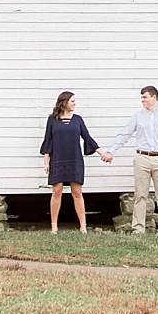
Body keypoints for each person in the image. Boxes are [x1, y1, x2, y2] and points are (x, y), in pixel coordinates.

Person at [110, 85, 158, 235]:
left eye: (145, 97)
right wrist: (112, 150)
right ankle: (138, 229)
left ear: (154, 98)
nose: (142, 100)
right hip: (142, 158)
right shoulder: (138, 116)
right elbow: (125, 134)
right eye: (141, 97)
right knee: (140, 195)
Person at [40, 91, 110, 233]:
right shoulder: (52, 120)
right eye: (72, 101)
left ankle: (83, 226)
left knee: (77, 192)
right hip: (57, 160)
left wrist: (102, 153)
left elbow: (88, 138)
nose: (74, 104)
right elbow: (48, 141)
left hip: (75, 159)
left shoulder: (78, 120)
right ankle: (54, 226)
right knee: (56, 191)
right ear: (64, 102)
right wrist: (46, 162)